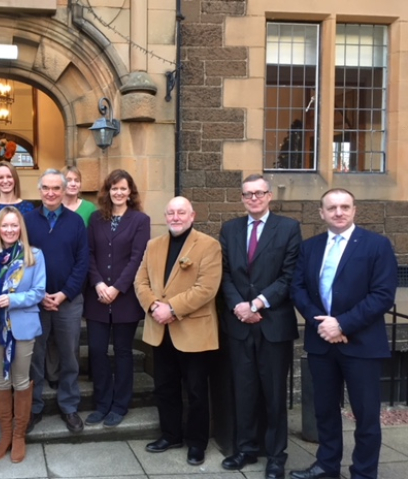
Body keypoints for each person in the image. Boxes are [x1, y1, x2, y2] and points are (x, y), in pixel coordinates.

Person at [290, 189, 398, 479]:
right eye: (332, 207)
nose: (339, 212)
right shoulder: (310, 247)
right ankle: (327, 465)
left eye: (344, 207)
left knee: (365, 416)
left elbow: (382, 295)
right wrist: (322, 325)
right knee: (324, 411)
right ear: (321, 213)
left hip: (361, 344)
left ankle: (363, 473)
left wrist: (342, 324)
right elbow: (297, 289)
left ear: (354, 210)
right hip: (322, 343)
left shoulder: (377, 245)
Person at [219, 174, 302, 479]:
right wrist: (239, 306)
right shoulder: (230, 229)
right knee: (244, 391)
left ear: (269, 196)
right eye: (247, 194)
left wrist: (256, 304)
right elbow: (224, 273)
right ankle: (245, 448)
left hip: (273, 325)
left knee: (274, 394)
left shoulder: (289, 228)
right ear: (241, 198)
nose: (253, 198)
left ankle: (276, 456)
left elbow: (289, 275)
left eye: (258, 193)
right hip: (239, 325)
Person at [134, 196, 221, 467]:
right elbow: (141, 280)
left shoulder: (209, 245)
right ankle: (170, 435)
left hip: (193, 330)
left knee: (196, 390)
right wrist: (153, 307)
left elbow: (206, 289)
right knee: (165, 387)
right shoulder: (153, 245)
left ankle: (197, 443)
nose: (175, 217)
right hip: (160, 330)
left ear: (192, 215)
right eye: (170, 212)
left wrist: (170, 308)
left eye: (181, 212)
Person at [83, 169, 150, 427]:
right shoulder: (97, 219)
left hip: (125, 299)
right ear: (107, 191)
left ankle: (120, 405)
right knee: (98, 351)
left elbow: (138, 258)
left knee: (123, 352)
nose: (119, 192)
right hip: (97, 297)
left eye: (123, 188)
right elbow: (88, 253)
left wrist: (117, 288)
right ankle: (102, 403)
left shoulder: (140, 220)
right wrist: (99, 283)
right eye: (114, 188)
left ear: (130, 191)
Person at [24, 169, 89, 433]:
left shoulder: (75, 222)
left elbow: (83, 262)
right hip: (34, 302)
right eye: (46, 188)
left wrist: (64, 294)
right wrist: (39, 295)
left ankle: (69, 406)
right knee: (34, 357)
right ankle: (33, 407)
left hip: (68, 301)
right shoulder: (27, 220)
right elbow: (22, 260)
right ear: (40, 191)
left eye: (56, 188)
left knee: (69, 356)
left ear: (64, 191)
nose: (51, 193)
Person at [0, 207, 46, 463]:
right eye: (5, 226)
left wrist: (11, 299)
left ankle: (19, 436)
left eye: (14, 225)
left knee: (20, 381)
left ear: (21, 228)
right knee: (0, 380)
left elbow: (39, 291)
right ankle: (5, 434)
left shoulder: (34, 256)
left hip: (21, 326)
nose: (9, 230)